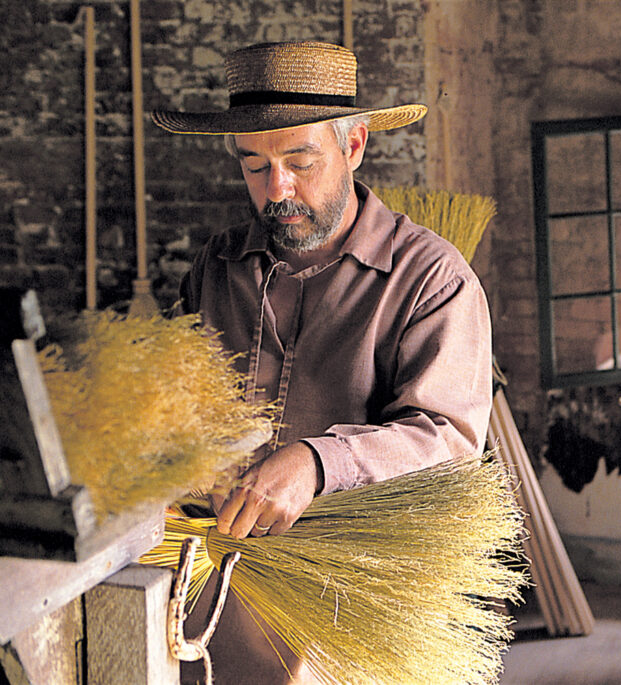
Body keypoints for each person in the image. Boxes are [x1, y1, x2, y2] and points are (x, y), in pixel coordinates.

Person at [150, 41, 493, 684]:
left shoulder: (431, 278)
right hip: (213, 597)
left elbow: (448, 440)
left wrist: (314, 464)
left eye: (299, 162)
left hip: (354, 607)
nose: (277, 190)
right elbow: (176, 401)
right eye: (254, 167)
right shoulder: (217, 267)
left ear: (354, 145)